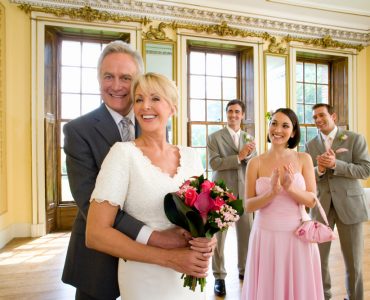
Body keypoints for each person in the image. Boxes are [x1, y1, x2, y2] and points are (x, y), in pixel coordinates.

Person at [62, 41, 210, 300]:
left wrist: (203, 238)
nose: (117, 86)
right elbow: (89, 203)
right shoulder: (78, 131)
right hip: (98, 263)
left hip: (171, 274)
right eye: (109, 76)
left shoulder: (156, 124)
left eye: (126, 78)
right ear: (98, 79)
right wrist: (159, 240)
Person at [241, 108, 324, 300]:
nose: (278, 129)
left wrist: (291, 188)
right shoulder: (255, 163)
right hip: (265, 235)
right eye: (274, 123)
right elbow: (248, 206)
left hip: (298, 236)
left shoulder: (303, 159)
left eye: (285, 125)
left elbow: (312, 200)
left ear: (293, 132)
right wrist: (272, 193)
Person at [305, 103, 370, 300]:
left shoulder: (355, 138)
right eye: (314, 117)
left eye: (321, 115)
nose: (318, 120)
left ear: (333, 115)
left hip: (351, 206)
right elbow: (309, 176)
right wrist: (321, 170)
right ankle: (323, 296)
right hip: (321, 207)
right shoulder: (310, 145)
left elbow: (365, 170)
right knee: (318, 259)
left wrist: (336, 164)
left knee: (354, 262)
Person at [207, 99, 256, 296]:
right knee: (218, 237)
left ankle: (244, 270)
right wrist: (239, 157)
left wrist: (249, 156)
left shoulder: (249, 137)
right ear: (226, 114)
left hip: (244, 194)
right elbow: (214, 164)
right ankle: (219, 276)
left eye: (237, 111)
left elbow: (253, 165)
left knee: (247, 233)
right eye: (230, 111)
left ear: (242, 115)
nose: (233, 115)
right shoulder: (214, 137)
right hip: (221, 193)